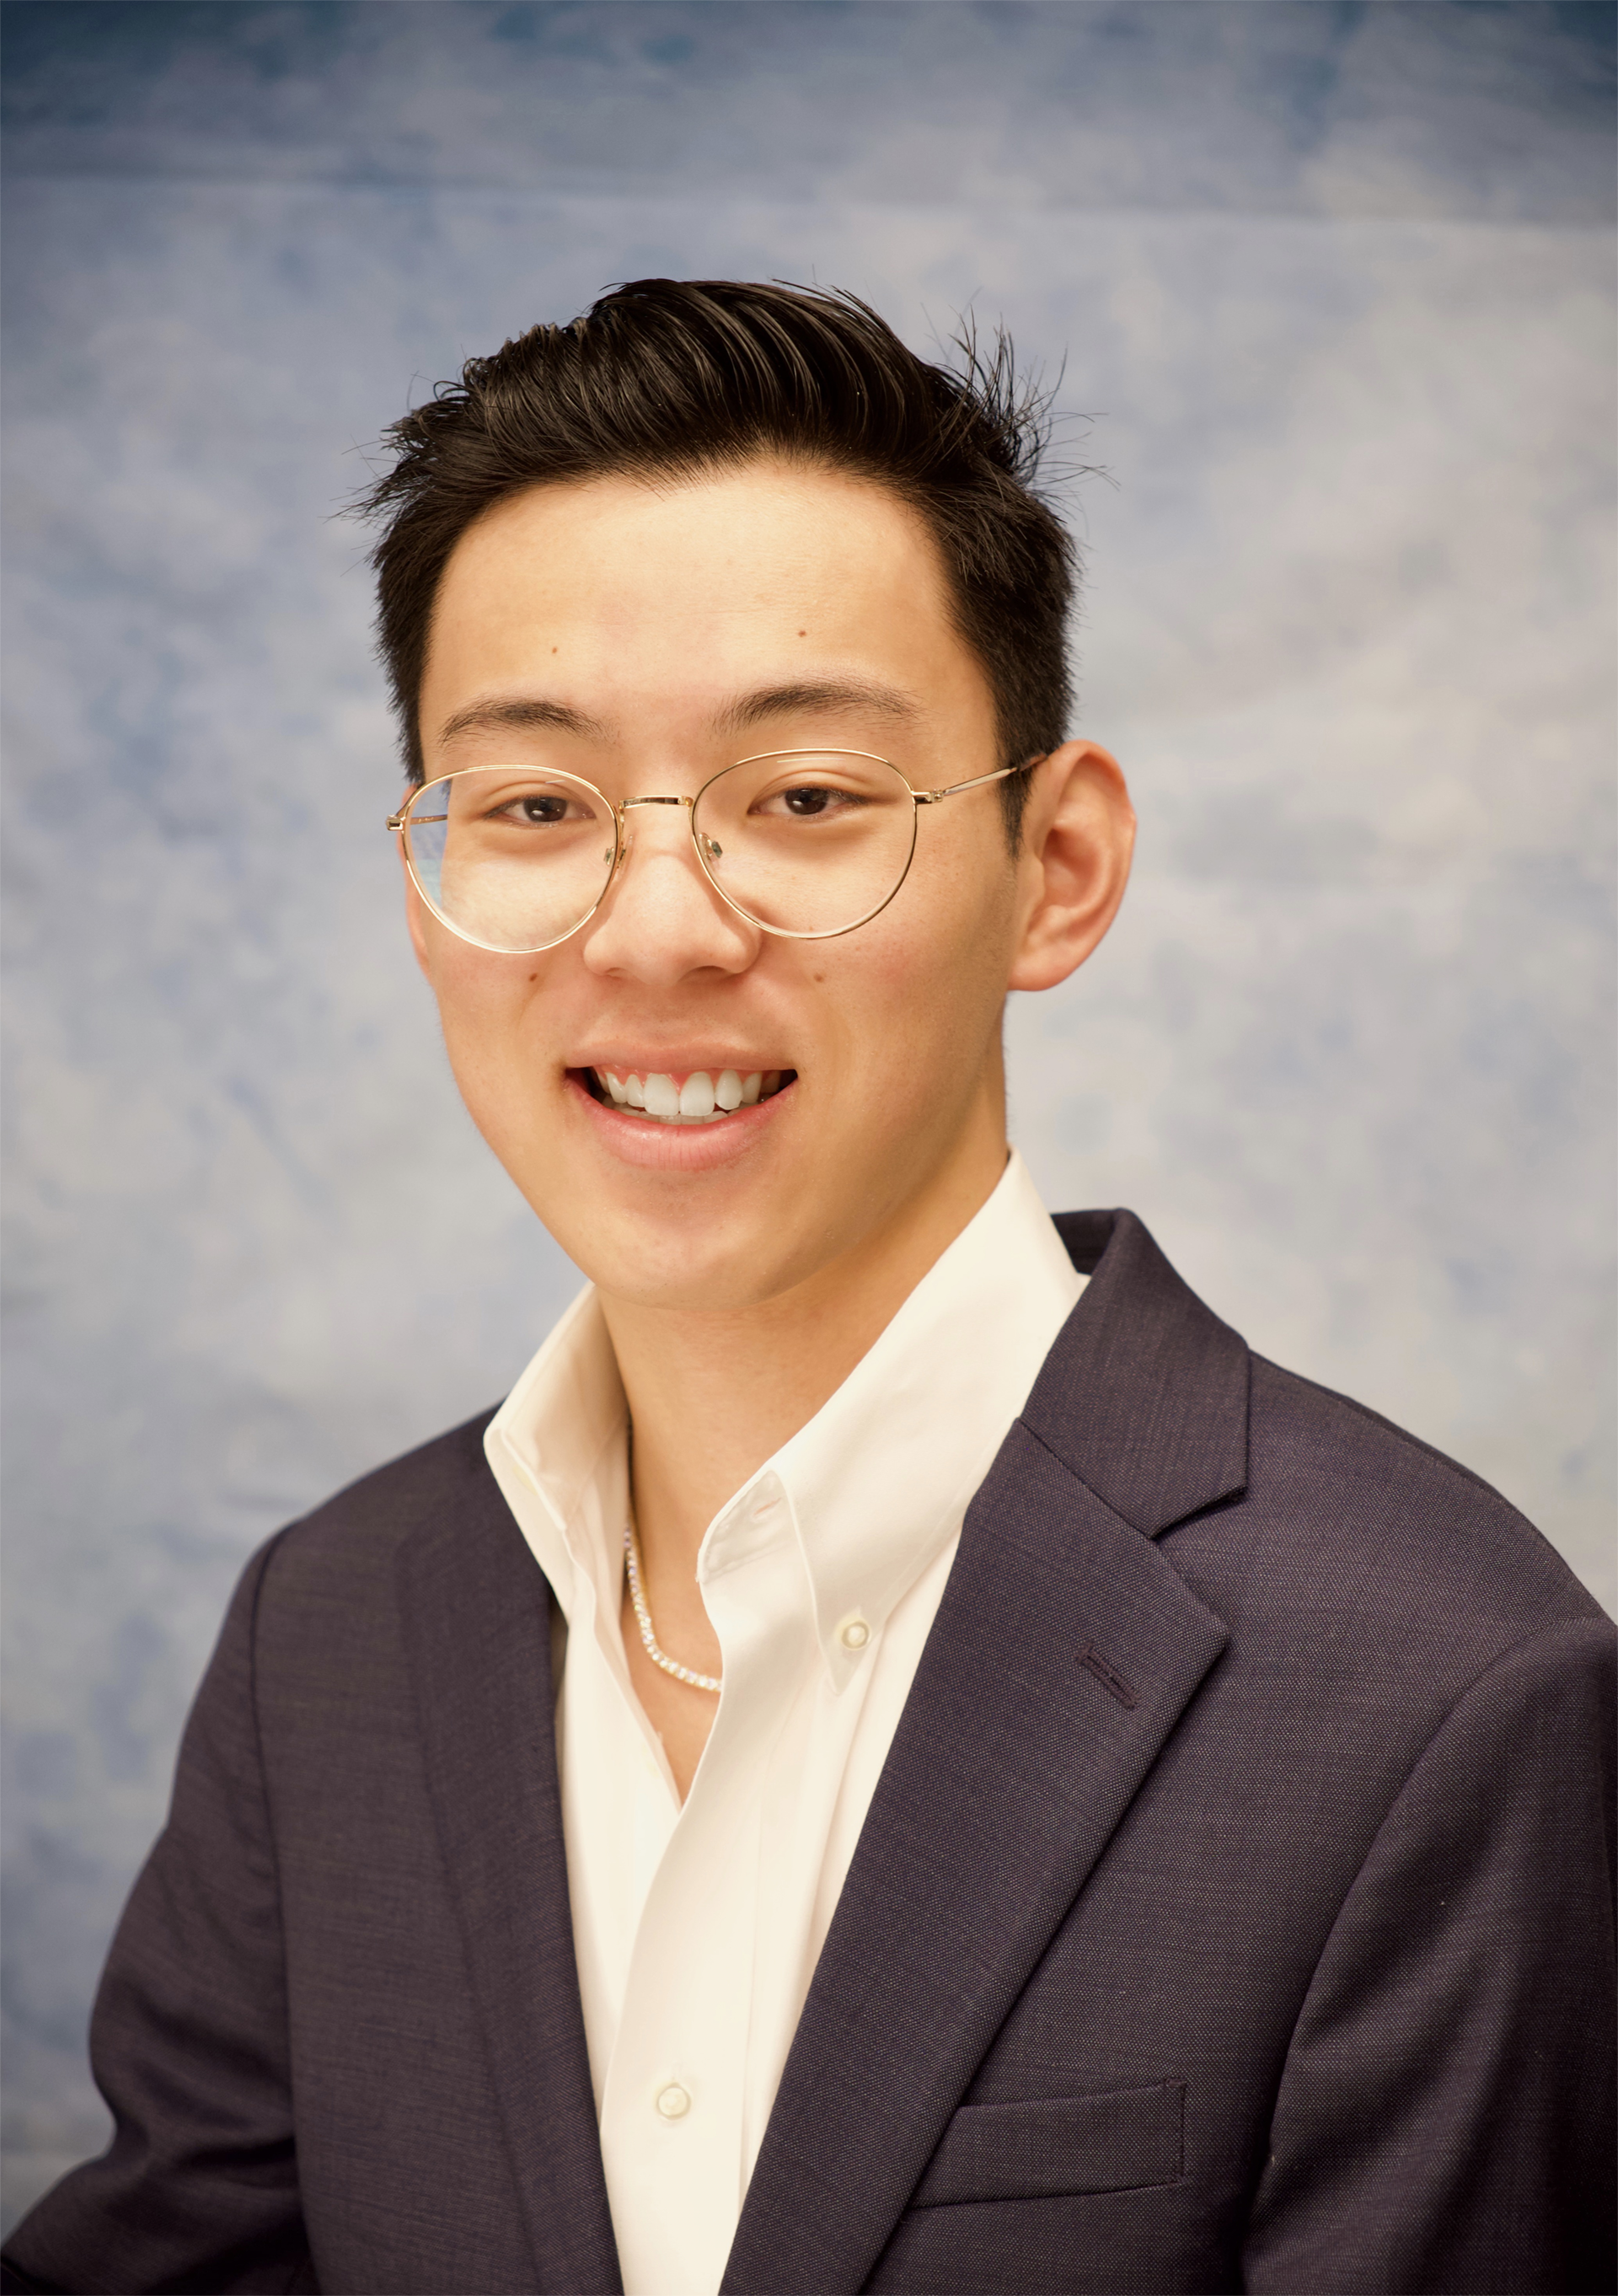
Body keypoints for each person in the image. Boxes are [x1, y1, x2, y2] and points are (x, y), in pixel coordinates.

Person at [3, 277, 1614, 2296]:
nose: (658, 929)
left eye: (809, 800)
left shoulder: (1439, 1694)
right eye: (531, 808)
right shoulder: (328, 1632)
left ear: (1059, 867)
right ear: (422, 881)